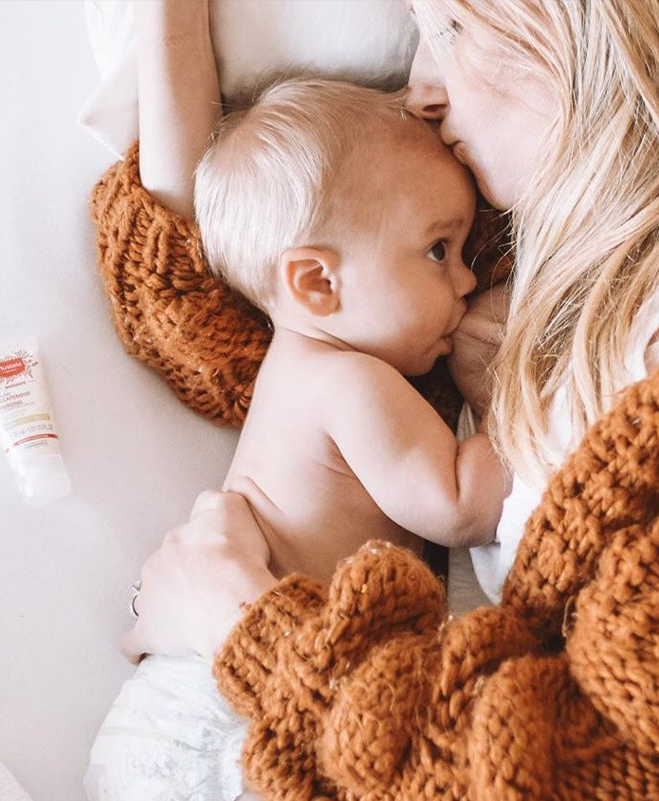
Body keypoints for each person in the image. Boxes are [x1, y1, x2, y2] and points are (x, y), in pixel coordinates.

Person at [93, 0, 659, 799]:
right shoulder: (571, 234)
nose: (420, 89)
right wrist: (169, 26)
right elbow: (219, 316)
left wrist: (244, 620)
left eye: (453, 28)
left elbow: (614, 774)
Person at [87, 68, 511, 798]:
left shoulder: (298, 373)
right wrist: (507, 390)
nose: (467, 283)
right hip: (236, 713)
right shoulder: (351, 382)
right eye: (439, 250)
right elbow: (463, 507)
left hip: (191, 697)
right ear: (318, 282)